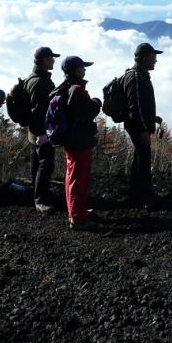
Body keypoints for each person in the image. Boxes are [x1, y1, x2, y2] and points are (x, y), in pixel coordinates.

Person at [49, 56, 102, 230]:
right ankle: (78, 218)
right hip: (79, 140)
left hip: (70, 139)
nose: (85, 70)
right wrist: (97, 102)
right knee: (79, 179)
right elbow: (89, 110)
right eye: (82, 67)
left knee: (72, 177)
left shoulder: (64, 88)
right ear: (75, 70)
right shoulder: (76, 90)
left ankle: (75, 212)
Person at [122, 43, 162, 209]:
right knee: (143, 160)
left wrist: (153, 118)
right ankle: (144, 198)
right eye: (154, 57)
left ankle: (136, 195)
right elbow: (135, 107)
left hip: (140, 125)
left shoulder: (139, 75)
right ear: (145, 57)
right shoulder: (136, 77)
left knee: (140, 159)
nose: (156, 60)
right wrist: (143, 130)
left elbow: (139, 105)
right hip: (138, 127)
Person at [25, 46, 60, 213]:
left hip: (33, 132)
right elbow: (40, 111)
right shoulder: (41, 82)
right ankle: (41, 200)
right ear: (45, 60)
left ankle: (37, 194)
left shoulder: (31, 79)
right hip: (41, 132)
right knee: (45, 165)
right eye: (51, 58)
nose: (53, 60)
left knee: (37, 165)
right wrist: (43, 134)